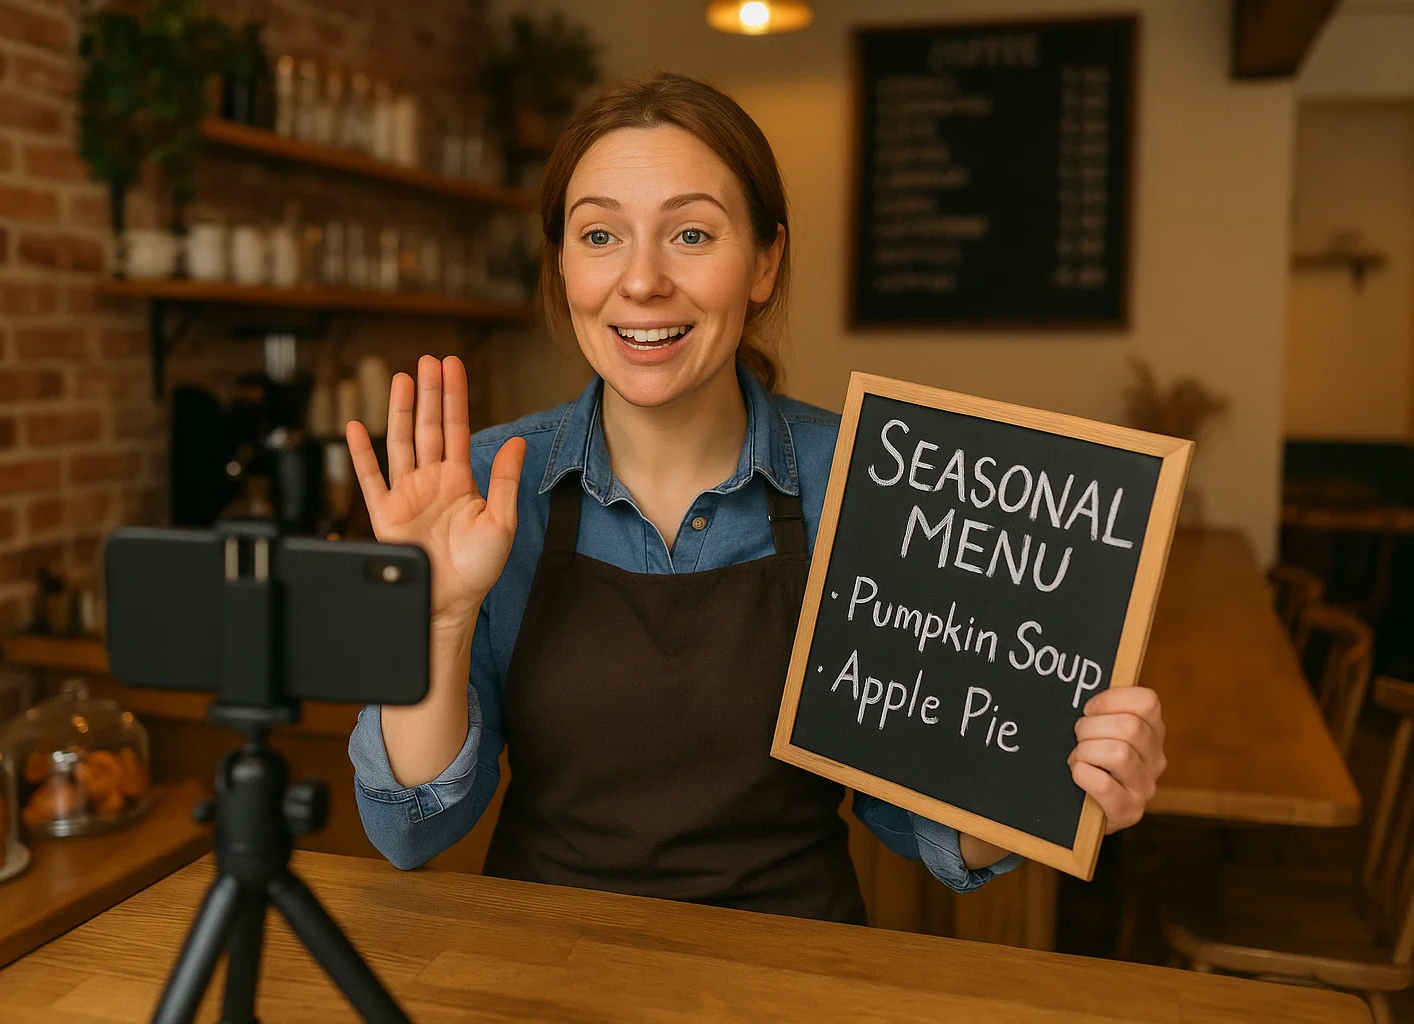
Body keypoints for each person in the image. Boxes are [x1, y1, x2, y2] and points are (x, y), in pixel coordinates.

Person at [346, 71, 1166, 925]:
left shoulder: (865, 479)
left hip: (796, 978)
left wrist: (1056, 784)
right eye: (599, 236)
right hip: (550, 974)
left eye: (692, 233)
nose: (641, 282)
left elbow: (928, 823)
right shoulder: (483, 490)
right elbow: (411, 831)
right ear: (562, 263)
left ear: (765, 262)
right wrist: (437, 627)